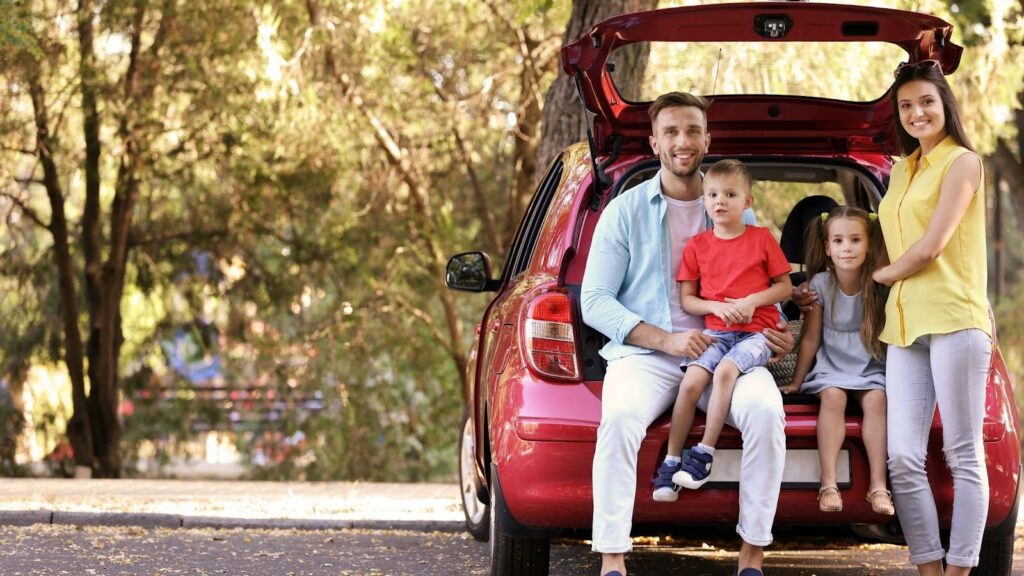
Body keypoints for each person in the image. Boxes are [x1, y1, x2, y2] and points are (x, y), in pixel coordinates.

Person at [581, 91, 794, 576]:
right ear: (654, 142)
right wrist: (666, 339)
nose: (683, 141)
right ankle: (613, 560)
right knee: (618, 422)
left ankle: (752, 558)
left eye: (693, 131)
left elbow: (765, 289)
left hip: (731, 349)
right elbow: (594, 301)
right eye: (672, 132)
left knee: (765, 411)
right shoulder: (625, 211)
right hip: (648, 355)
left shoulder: (736, 208)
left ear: (707, 139)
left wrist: (776, 332)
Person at [872, 60, 990, 575]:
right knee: (901, 457)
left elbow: (932, 246)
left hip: (954, 320)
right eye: (906, 106)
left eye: (926, 102)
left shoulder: (963, 163)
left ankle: (960, 569)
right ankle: (928, 569)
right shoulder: (901, 168)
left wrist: (880, 276)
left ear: (945, 104)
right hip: (904, 325)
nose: (917, 112)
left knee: (964, 455)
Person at [652, 159, 792, 498]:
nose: (720, 201)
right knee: (691, 383)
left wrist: (752, 301)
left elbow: (784, 287)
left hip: (757, 333)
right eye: (712, 194)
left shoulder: (760, 239)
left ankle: (703, 454)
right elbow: (688, 299)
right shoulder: (698, 246)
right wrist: (715, 306)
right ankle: (671, 462)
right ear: (704, 200)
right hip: (716, 332)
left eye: (730, 194)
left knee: (726, 371)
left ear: (747, 202)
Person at [778, 207, 893, 517]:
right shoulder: (819, 284)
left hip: (868, 366)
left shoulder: (878, 284)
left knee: (877, 400)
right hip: (831, 366)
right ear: (827, 248)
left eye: (856, 240)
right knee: (833, 396)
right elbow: (812, 339)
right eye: (839, 240)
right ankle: (828, 483)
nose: (847, 247)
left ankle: (879, 486)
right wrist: (798, 381)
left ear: (870, 245)